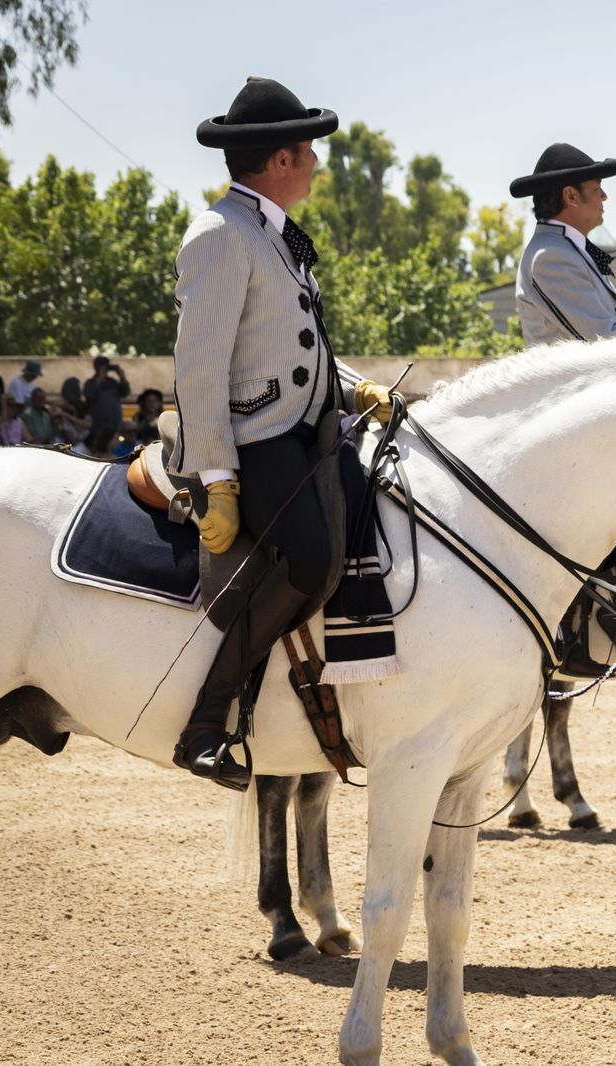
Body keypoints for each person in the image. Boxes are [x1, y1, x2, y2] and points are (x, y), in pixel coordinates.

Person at [170, 76, 397, 790]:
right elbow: (199, 369)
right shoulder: (220, 234)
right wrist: (218, 479)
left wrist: (353, 383)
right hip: (254, 441)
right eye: (308, 151)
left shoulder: (273, 233)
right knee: (307, 561)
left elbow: (298, 350)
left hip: (301, 432)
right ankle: (207, 723)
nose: (317, 165)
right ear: (279, 162)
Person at [511, 142, 616, 347]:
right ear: (571, 196)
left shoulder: (566, 248)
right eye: (597, 188)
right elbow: (606, 341)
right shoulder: (550, 256)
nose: (604, 196)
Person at [81, 355, 131, 456]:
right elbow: (88, 396)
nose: (105, 367)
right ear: (95, 366)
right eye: (102, 364)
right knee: (98, 451)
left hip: (114, 424)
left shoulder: (112, 382)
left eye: (106, 364)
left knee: (114, 450)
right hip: (97, 426)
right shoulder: (90, 383)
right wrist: (99, 377)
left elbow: (125, 392)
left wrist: (122, 376)